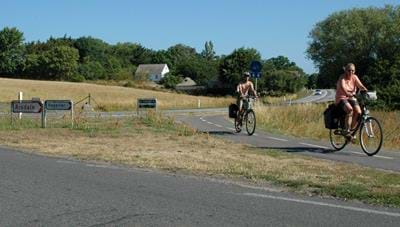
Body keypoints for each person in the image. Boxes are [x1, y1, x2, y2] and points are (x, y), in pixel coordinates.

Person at [335, 63, 367, 139]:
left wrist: (365, 90)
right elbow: (343, 87)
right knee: (350, 110)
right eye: (349, 70)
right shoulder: (342, 77)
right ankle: (347, 130)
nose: (351, 72)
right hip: (341, 97)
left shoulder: (355, 77)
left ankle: (351, 130)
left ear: (354, 71)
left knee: (359, 112)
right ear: (345, 70)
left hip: (352, 97)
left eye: (353, 70)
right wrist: (347, 93)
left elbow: (360, 86)